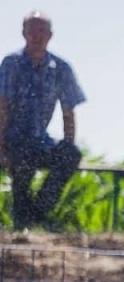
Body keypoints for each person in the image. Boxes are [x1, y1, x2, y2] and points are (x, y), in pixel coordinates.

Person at [0, 10, 84, 231]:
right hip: (13, 138)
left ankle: (37, 213)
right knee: (22, 160)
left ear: (50, 34)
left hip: (41, 140)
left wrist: (68, 143)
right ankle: (22, 222)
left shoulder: (61, 68)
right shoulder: (11, 63)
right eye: (32, 30)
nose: (36, 36)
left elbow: (69, 112)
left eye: (41, 31)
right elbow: (2, 107)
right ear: (23, 33)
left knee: (70, 154)